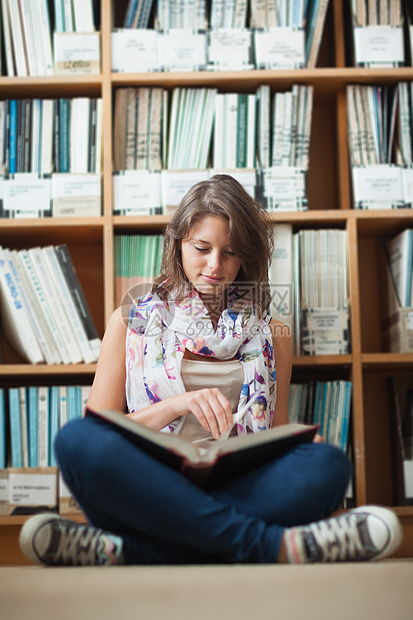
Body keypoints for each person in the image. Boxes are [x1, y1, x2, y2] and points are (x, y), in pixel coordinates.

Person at [20, 174, 402, 566]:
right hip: (151, 482)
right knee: (77, 440)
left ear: (247, 257)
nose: (215, 266)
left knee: (328, 465)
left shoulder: (273, 331)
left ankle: (134, 551)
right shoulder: (129, 320)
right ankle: (271, 546)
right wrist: (176, 405)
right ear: (178, 244)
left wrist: (295, 448)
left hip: (236, 482)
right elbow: (103, 427)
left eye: (231, 253)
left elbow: (275, 430)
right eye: (202, 248)